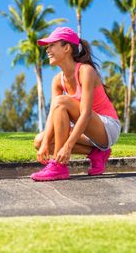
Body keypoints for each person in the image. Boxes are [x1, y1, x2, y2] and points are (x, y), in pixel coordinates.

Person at [31, 27, 120, 181]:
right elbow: (53, 115)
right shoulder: (57, 80)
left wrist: (68, 146)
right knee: (39, 140)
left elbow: (85, 113)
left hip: (106, 128)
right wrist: (45, 143)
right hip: (86, 130)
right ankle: (96, 153)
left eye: (52, 45)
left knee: (61, 102)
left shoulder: (86, 71)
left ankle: (59, 167)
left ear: (66, 48)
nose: (48, 50)